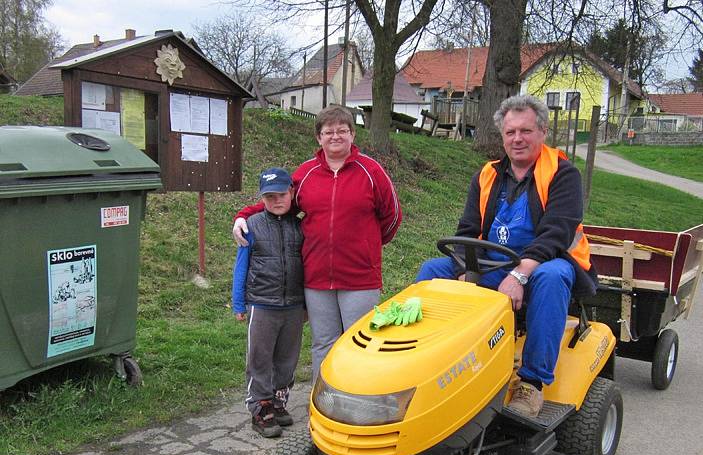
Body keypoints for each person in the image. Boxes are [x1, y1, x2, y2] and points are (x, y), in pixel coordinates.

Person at [416, 95, 596, 418]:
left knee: (552, 278)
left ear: (542, 132)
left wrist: (519, 275)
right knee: (431, 272)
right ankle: (426, 365)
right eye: (511, 132)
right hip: (495, 260)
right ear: (502, 135)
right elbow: (468, 229)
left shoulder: (563, 174)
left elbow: (555, 233)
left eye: (525, 131)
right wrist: (462, 268)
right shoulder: (487, 176)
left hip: (545, 261)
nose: (517, 139)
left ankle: (532, 383)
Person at [233, 106, 402, 381]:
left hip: (360, 278)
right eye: (328, 132)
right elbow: (280, 203)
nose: (335, 136)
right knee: (324, 344)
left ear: (352, 134)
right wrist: (243, 215)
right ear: (319, 138)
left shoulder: (371, 171)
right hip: (317, 277)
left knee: (360, 344)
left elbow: (392, 216)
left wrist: (368, 246)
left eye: (342, 131)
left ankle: (357, 407)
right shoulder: (306, 174)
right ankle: (322, 403)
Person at [232, 167, 304, 438]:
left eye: (282, 194)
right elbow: (241, 266)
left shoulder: (300, 226)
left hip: (293, 304)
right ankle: (260, 407)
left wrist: (306, 302)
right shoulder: (251, 226)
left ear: (292, 193)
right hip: (262, 304)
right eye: (270, 196)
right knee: (260, 357)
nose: (277, 201)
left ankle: (278, 401)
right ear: (262, 198)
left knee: (287, 358)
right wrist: (238, 303)